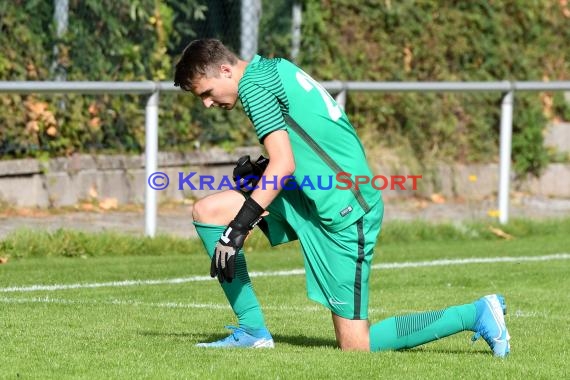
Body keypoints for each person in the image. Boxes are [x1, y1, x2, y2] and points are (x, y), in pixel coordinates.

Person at [173, 39, 510, 356]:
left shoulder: (253, 88)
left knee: (356, 345)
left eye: (206, 92)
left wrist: (239, 227)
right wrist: (262, 177)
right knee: (209, 211)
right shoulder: (271, 68)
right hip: (313, 195)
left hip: (345, 210)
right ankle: (252, 332)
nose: (206, 102)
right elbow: (307, 140)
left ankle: (477, 312)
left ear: (226, 71)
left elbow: (285, 163)